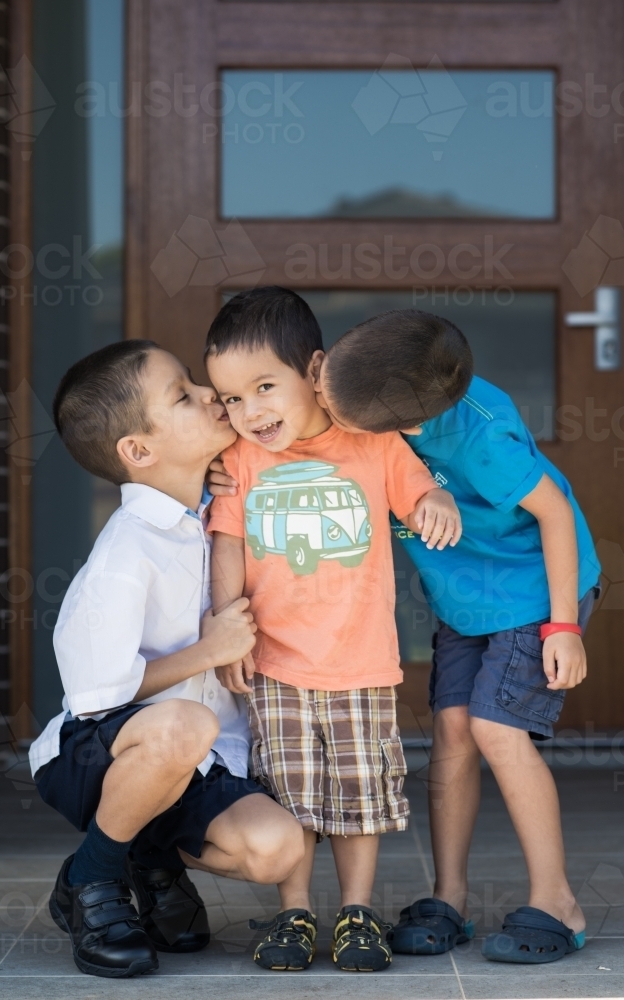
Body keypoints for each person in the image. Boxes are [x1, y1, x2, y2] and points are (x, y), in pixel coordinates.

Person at [209, 306, 601, 965]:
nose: (326, 414)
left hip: (532, 592)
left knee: (494, 731)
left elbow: (555, 514)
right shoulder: (360, 397)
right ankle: (448, 897)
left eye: (337, 409)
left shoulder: (476, 436)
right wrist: (214, 464)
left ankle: (557, 900)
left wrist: (562, 625)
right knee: (450, 732)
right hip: (465, 600)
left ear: (401, 425)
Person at [203, 287, 462, 973]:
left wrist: (436, 500)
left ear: (315, 371)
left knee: (357, 793)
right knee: (290, 794)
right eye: (231, 399)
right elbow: (226, 543)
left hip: (359, 661)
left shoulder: (372, 443)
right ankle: (294, 911)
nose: (249, 412)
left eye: (264, 387)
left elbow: (418, 490)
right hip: (276, 660)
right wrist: (226, 627)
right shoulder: (240, 461)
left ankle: (355, 911)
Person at [29, 340, 306, 979]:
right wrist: (207, 653)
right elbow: (100, 693)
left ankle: (144, 854)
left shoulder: (216, 507)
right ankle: (93, 881)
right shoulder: (128, 549)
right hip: (100, 753)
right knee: (185, 721)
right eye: (183, 394)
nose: (211, 395)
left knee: (277, 850)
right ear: (139, 451)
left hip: (196, 763)